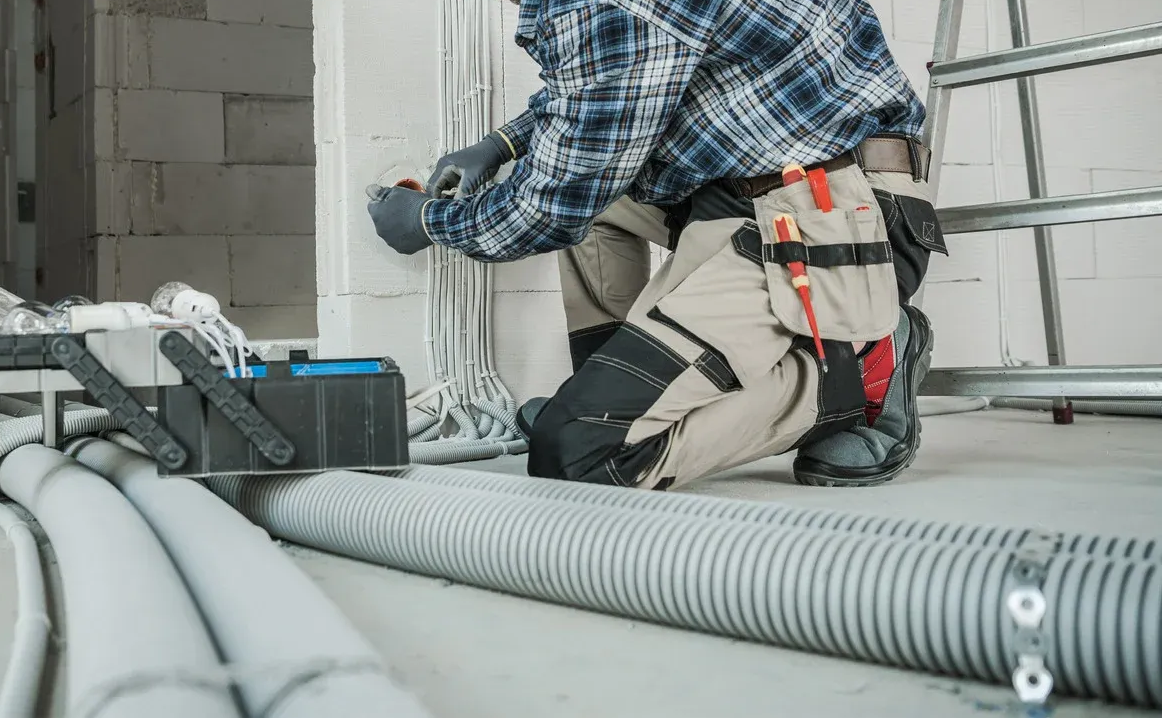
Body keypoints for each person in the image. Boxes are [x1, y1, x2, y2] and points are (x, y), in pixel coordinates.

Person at [366, 0, 948, 491]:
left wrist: (429, 222)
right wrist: (503, 144)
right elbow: (614, 81)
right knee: (595, 197)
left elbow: (552, 204)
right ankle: (604, 395)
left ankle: (859, 372)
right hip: (747, 186)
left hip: (836, 213)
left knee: (580, 454)